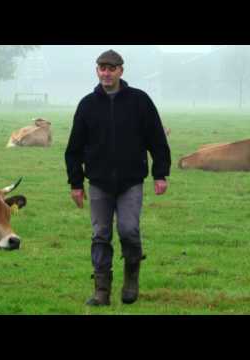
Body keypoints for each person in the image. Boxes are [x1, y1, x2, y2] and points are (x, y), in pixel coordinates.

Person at [64, 49, 171, 306]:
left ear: (121, 71)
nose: (106, 73)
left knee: (128, 230)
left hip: (130, 181)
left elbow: (157, 139)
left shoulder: (139, 101)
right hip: (99, 182)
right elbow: (74, 149)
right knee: (100, 234)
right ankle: (101, 291)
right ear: (97, 71)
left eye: (111, 68)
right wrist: (76, 183)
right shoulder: (87, 105)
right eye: (102, 68)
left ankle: (131, 279)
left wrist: (160, 174)